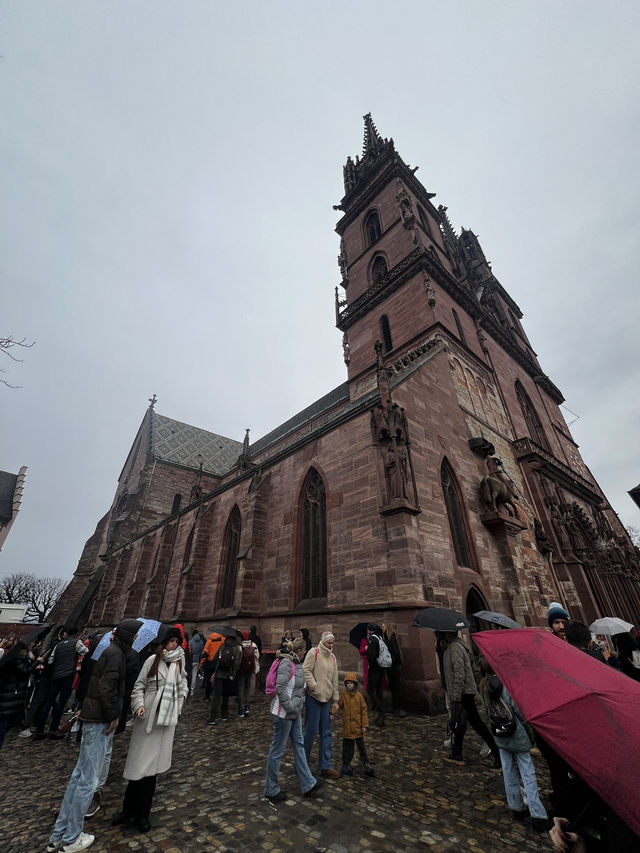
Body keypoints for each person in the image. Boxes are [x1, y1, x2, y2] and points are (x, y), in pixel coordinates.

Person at [46, 618, 142, 853]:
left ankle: (58, 835)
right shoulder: (117, 655)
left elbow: (93, 685)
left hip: (91, 715)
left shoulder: (108, 652)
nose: (138, 638)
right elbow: (105, 689)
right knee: (88, 781)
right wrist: (114, 715)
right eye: (136, 635)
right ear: (129, 636)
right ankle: (71, 839)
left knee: (79, 777)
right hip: (99, 719)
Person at [112, 627, 188, 833]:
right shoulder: (151, 661)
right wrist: (138, 705)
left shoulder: (179, 662)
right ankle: (127, 811)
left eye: (176, 641)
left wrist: (178, 704)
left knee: (151, 774)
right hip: (147, 719)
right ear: (163, 643)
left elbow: (183, 686)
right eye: (171, 641)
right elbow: (138, 686)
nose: (174, 645)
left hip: (165, 721)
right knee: (137, 769)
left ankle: (143, 815)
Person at [479, 663, 550, 832]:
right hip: (517, 733)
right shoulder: (507, 683)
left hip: (500, 733)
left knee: (508, 771)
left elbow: (485, 711)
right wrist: (530, 733)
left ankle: (516, 807)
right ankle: (537, 814)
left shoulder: (483, 686)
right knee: (528, 773)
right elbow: (519, 711)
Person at [264, 637, 321, 803]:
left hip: (294, 713)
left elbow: (299, 688)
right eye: (304, 651)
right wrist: (290, 706)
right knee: (277, 751)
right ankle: (271, 790)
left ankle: (308, 784)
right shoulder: (287, 663)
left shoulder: (297, 663)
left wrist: (298, 704)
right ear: (300, 651)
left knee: (299, 745)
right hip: (282, 714)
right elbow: (280, 688)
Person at [442, 630, 501, 768]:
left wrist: (456, 696)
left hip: (463, 692)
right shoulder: (455, 645)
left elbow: (459, 673)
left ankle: (498, 753)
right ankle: (457, 753)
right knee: (464, 723)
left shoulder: (455, 647)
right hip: (464, 691)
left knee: (472, 723)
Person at [35, 626, 86, 739]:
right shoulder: (76, 642)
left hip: (56, 675)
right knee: (62, 702)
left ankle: (40, 729)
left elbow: (50, 660)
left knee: (49, 701)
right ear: (77, 634)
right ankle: (53, 730)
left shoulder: (59, 644)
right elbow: (86, 652)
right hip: (68, 675)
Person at [302, 631, 340, 780]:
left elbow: (335, 679)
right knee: (310, 733)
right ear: (323, 642)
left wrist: (336, 700)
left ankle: (325, 766)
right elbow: (306, 670)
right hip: (314, 698)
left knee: (326, 732)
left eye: (332, 643)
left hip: (327, 700)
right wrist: (314, 686)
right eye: (329, 643)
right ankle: (302, 762)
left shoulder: (333, 657)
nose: (331, 646)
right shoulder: (313, 652)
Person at [336, 672, 375, 777]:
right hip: (348, 729)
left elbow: (364, 711)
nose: (349, 685)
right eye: (347, 683)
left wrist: (364, 725)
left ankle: (366, 764)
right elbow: (338, 705)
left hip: (358, 728)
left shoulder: (359, 696)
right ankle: (345, 765)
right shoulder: (344, 695)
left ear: (355, 684)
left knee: (361, 748)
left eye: (351, 683)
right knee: (348, 749)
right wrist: (332, 712)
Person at [207, 633, 241, 725]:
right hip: (228, 676)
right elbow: (237, 663)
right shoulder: (236, 649)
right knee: (226, 696)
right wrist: (232, 675)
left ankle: (213, 717)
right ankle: (224, 715)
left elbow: (214, 659)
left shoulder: (222, 647)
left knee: (216, 696)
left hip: (219, 675)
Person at [365, 623, 389, 726]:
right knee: (379, 691)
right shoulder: (379, 637)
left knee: (370, 690)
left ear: (369, 630)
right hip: (380, 668)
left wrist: (367, 649)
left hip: (374, 669)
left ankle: (381, 712)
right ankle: (381, 716)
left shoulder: (372, 639)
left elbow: (372, 655)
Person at [381, 622, 406, 717]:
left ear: (387, 627)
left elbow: (396, 652)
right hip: (388, 666)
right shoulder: (384, 638)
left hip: (394, 666)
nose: (382, 628)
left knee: (397, 687)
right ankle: (395, 706)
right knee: (391, 686)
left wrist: (391, 660)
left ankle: (401, 708)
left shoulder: (391, 637)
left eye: (383, 626)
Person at [237, 630, 259, 717]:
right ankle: (247, 708)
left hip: (241, 670)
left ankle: (241, 709)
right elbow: (257, 657)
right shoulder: (253, 645)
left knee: (241, 689)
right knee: (248, 689)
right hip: (250, 669)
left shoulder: (239, 646)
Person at [201, 630, 225, 701]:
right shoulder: (223, 640)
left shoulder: (209, 641)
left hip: (209, 663)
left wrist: (201, 664)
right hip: (219, 662)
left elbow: (205, 653)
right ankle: (217, 695)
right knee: (218, 680)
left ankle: (207, 696)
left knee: (208, 680)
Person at [189, 630, 205, 695]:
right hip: (197, 660)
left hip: (190, 660)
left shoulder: (190, 641)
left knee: (189, 675)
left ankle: (188, 689)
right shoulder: (201, 642)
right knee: (194, 675)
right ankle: (192, 691)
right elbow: (202, 652)